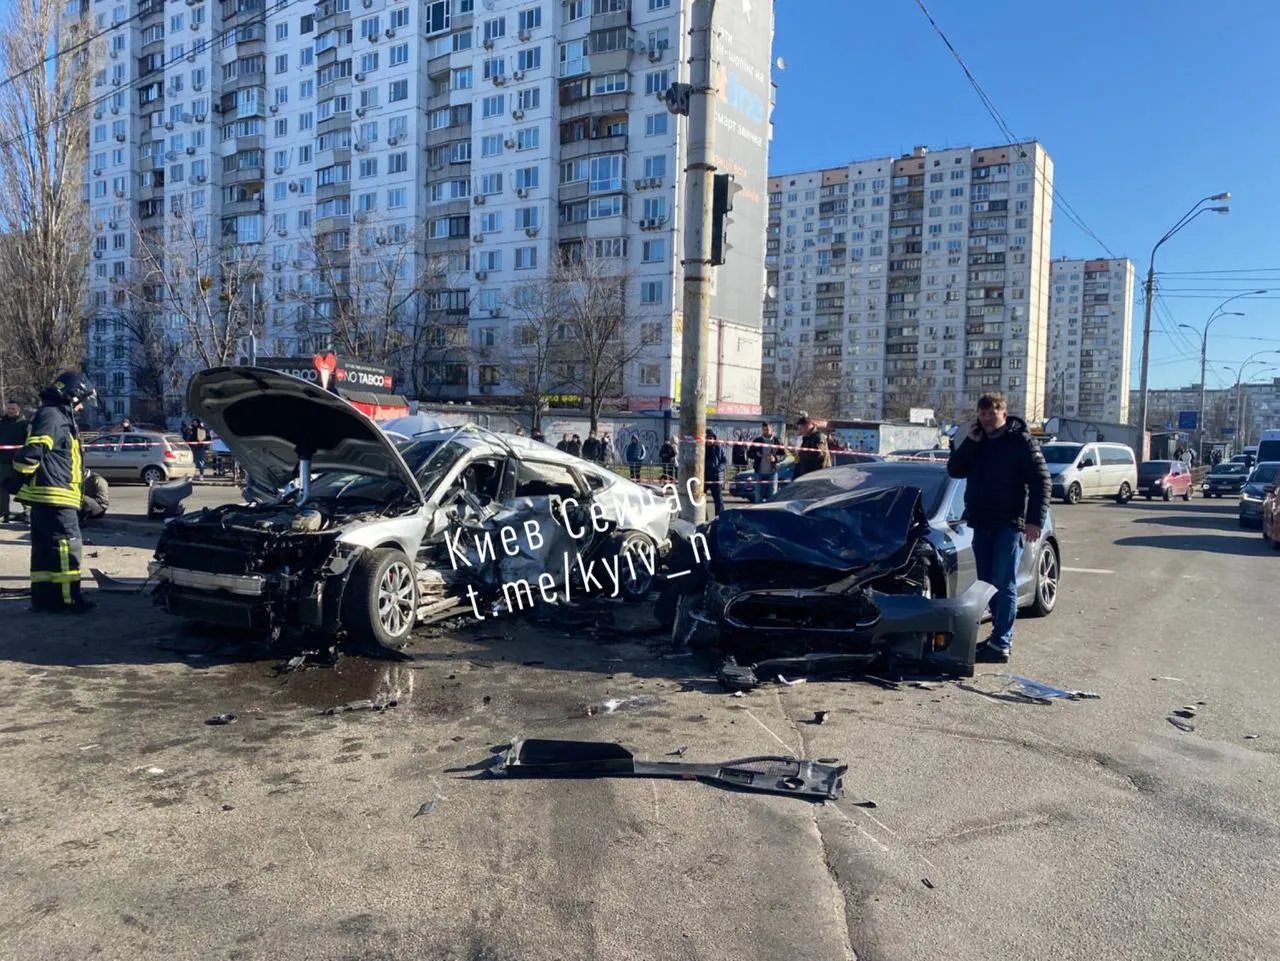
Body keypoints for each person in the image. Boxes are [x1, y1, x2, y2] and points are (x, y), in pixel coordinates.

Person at [946, 392, 1051, 664]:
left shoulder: (1020, 442)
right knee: (986, 584)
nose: (987, 420)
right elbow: (955, 469)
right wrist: (970, 441)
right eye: (982, 415)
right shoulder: (977, 442)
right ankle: (995, 639)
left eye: (992, 414)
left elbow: (1041, 481)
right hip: (981, 523)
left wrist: (1034, 521)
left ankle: (1002, 642)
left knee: (1004, 584)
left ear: (1004, 413)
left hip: (1009, 523)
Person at [7, 371, 97, 614]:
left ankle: (44, 600)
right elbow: (33, 452)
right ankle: (69, 599)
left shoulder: (54, 415)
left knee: (45, 551)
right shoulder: (53, 417)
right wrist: (16, 480)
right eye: (81, 401)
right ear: (71, 396)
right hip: (56, 496)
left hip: (50, 496)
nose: (81, 408)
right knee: (67, 547)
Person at [0, 400, 29, 524]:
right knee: (2, 489)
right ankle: (3, 513)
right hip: (3, 461)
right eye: (9, 408)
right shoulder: (2, 422)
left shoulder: (25, 424)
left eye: (13, 409)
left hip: (19, 461)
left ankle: (27, 513)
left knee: (22, 487)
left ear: (19, 410)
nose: (10, 411)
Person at [750, 421, 781, 503]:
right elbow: (749, 453)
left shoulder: (777, 441)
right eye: (764, 430)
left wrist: (775, 458)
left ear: (772, 429)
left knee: (772, 496)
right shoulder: (757, 440)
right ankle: (758, 514)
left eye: (767, 429)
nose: (766, 431)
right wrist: (756, 455)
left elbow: (784, 455)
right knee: (758, 496)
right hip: (759, 472)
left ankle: (770, 514)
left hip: (772, 473)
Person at [704, 430, 727, 516]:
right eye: (707, 438)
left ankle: (719, 519)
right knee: (700, 499)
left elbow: (724, 461)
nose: (709, 440)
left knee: (718, 500)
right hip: (703, 477)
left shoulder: (718, 448)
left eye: (711, 438)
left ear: (714, 438)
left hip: (715, 477)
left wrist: (718, 469)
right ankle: (703, 517)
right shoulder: (701, 448)